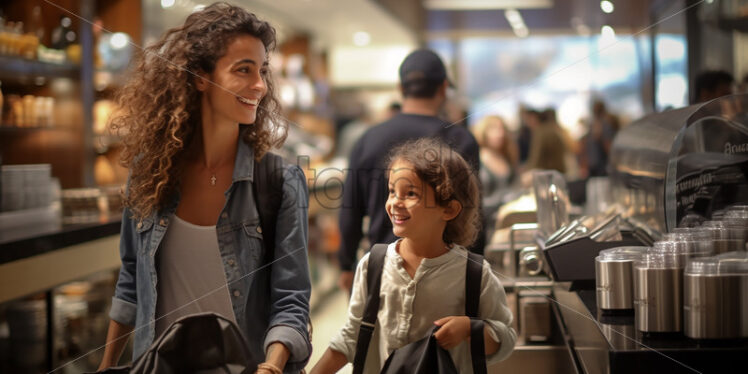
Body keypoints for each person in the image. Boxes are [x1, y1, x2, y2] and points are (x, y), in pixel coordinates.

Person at [97, 3, 311, 373]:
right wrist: (106, 366)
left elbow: (291, 301)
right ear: (199, 77)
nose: (259, 85)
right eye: (243, 70)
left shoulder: (279, 181)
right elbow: (131, 279)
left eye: (261, 71)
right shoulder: (150, 172)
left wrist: (272, 367)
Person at [311, 138, 516, 374]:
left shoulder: (473, 274)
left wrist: (471, 328)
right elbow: (351, 337)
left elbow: (506, 337)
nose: (395, 202)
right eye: (391, 191)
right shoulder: (373, 265)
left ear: (448, 209)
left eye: (410, 193)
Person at [337, 49, 481, 292]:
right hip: (447, 273)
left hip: (382, 271)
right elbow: (473, 214)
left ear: (401, 88)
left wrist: (346, 264)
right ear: (443, 87)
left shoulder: (368, 139)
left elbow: (350, 210)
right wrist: (476, 270)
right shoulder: (461, 139)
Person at [472, 115, 518, 234]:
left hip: (508, 222)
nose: (499, 133)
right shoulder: (477, 158)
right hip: (486, 224)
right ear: (484, 132)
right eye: (493, 129)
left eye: (502, 129)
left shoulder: (506, 156)